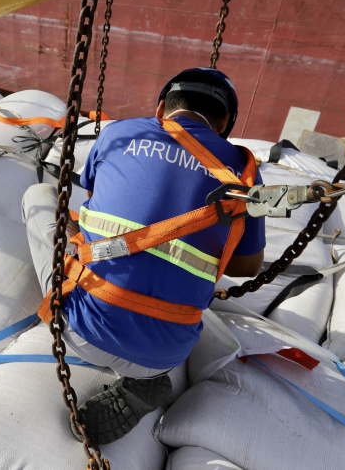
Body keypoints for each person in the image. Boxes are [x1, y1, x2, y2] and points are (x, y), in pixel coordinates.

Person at [22, 67, 265, 445]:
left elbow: (96, 198)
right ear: (223, 123)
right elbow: (248, 266)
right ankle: (146, 382)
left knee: (37, 196)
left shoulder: (119, 132)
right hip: (167, 353)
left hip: (80, 330)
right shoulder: (247, 175)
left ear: (162, 108)